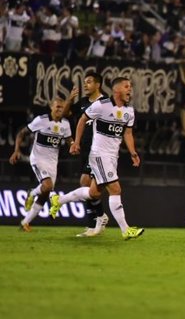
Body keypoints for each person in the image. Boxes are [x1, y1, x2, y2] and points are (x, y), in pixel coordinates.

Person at [50, 77, 144, 240]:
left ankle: (59, 200)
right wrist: (76, 142)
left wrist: (133, 152)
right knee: (116, 189)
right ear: (116, 90)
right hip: (99, 155)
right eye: (126, 86)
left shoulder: (129, 112)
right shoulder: (101, 105)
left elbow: (127, 133)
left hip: (112, 157)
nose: (130, 89)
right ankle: (126, 230)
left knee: (93, 193)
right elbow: (82, 120)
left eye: (130, 86)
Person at [9, 98, 73, 231]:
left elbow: (69, 141)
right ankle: (32, 194)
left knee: (44, 193)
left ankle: (25, 222)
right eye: (57, 107)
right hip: (38, 159)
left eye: (62, 107)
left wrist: (73, 146)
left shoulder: (65, 124)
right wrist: (16, 151)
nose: (59, 109)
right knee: (48, 186)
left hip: (52, 162)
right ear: (51, 107)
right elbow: (22, 133)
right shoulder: (41, 120)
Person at [62, 72, 109, 237]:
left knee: (85, 182)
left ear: (98, 84)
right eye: (85, 82)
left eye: (89, 82)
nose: (86, 85)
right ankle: (97, 220)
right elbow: (63, 115)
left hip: (99, 150)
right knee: (87, 186)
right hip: (85, 149)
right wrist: (69, 99)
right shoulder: (82, 103)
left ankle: (97, 220)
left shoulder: (106, 103)